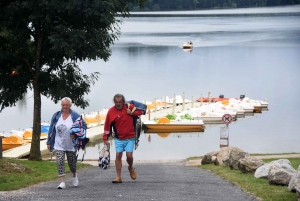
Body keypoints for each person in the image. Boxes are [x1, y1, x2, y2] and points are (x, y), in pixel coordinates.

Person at [46, 97, 87, 189]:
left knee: (72, 163)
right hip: (59, 143)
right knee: (59, 161)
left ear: (70, 105)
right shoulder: (56, 115)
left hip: (71, 144)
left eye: (66, 105)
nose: (65, 106)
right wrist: (49, 142)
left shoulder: (75, 115)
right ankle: (62, 182)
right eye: (63, 105)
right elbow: (51, 129)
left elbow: (84, 125)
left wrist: (76, 135)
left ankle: (74, 175)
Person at [103, 94, 144, 183]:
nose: (118, 104)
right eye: (116, 102)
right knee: (118, 156)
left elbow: (142, 112)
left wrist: (132, 113)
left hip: (130, 137)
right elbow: (107, 125)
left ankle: (130, 167)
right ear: (114, 102)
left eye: (120, 102)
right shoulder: (111, 111)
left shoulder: (129, 107)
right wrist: (105, 138)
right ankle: (118, 177)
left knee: (129, 156)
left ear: (123, 102)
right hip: (119, 138)